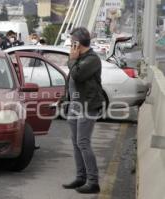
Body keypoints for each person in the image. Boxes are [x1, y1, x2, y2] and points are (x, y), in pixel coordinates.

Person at [60, 27, 105, 194]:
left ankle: (93, 181)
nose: (70, 45)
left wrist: (72, 60)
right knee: (76, 143)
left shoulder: (92, 59)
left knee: (83, 142)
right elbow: (72, 81)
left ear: (78, 43)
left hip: (87, 105)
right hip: (75, 105)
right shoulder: (80, 58)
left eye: (72, 42)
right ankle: (81, 177)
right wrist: (67, 100)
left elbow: (78, 75)